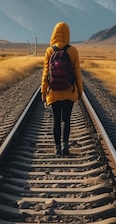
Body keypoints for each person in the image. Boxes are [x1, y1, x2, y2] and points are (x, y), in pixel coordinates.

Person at [41, 22, 83, 156]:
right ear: (67, 34)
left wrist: (43, 91)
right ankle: (65, 145)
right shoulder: (73, 50)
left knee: (56, 120)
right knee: (66, 119)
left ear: (54, 34)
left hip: (53, 91)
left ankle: (57, 147)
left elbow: (46, 73)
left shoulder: (49, 51)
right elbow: (77, 73)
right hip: (69, 90)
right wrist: (79, 91)